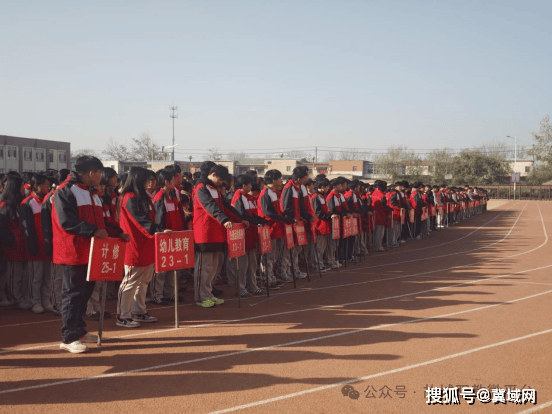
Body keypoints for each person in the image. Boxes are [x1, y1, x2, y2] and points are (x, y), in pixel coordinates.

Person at [52, 156, 128, 353]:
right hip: (73, 252)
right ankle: (68, 337)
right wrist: (92, 231)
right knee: (72, 294)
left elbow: (102, 221)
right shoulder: (66, 191)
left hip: (92, 253)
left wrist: (117, 233)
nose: (102, 177)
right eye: (100, 173)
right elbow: (66, 221)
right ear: (91, 173)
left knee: (84, 294)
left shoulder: (92, 193)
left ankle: (79, 330)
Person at [117, 167, 164, 327]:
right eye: (147, 179)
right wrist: (158, 231)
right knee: (130, 281)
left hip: (147, 244)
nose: (150, 183)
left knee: (144, 281)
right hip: (134, 244)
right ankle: (123, 315)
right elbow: (141, 220)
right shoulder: (130, 197)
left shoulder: (143, 197)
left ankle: (139, 311)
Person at [193, 164, 245, 308]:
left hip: (217, 232)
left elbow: (225, 206)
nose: (221, 183)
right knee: (204, 267)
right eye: (220, 180)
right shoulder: (201, 188)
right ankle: (201, 297)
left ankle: (208, 293)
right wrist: (223, 219)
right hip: (204, 233)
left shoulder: (214, 189)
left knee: (213, 268)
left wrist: (240, 219)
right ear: (213, 174)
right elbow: (210, 206)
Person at [21, 174, 53, 314]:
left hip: (47, 247)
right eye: (45, 185)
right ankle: (35, 301)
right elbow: (27, 228)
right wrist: (32, 246)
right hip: (36, 247)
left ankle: (46, 300)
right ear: (36, 186)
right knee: (35, 277)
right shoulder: (27, 203)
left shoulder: (47, 202)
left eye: (48, 185)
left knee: (47, 278)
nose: (47, 188)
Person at [257, 169, 294, 286]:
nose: (281, 181)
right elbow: (267, 212)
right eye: (279, 179)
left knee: (274, 255)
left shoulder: (275, 193)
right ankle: (266, 278)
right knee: (268, 255)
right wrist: (283, 218)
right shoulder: (265, 193)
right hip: (269, 229)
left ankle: (271, 276)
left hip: (277, 228)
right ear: (273, 180)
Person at [0, 175, 29, 309]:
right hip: (12, 247)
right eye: (22, 185)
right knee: (14, 274)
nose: (24, 188)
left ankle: (20, 297)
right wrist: (11, 240)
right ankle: (15, 298)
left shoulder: (20, 204)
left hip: (22, 245)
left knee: (23, 274)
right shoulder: (5, 206)